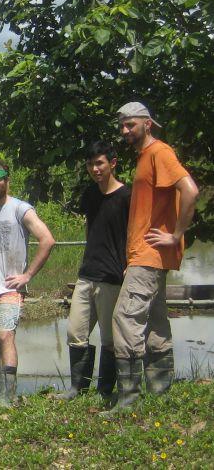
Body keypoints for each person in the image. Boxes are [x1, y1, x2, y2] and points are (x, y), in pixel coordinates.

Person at [103, 102, 199, 415]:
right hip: (147, 257)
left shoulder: (160, 152)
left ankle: (129, 399)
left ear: (148, 123)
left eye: (130, 124)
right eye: (122, 126)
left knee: (125, 318)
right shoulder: (145, 157)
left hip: (150, 254)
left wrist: (176, 234)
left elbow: (190, 190)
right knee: (156, 323)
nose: (125, 131)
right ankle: (161, 391)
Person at [0, 159, 55, 407]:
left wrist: (27, 276)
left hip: (11, 290)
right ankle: (3, 391)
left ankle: (8, 398)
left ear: (7, 181)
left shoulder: (20, 209)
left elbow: (47, 240)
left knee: (5, 335)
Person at [57, 141, 129, 402]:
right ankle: (77, 389)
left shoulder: (127, 196)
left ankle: (104, 390)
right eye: (90, 164)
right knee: (75, 332)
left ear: (112, 163)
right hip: (87, 273)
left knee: (110, 338)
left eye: (99, 163)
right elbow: (91, 229)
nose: (95, 169)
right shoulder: (90, 194)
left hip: (113, 277)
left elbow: (133, 235)